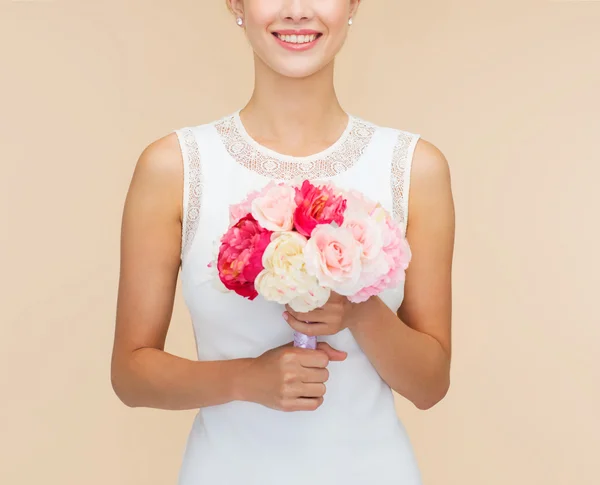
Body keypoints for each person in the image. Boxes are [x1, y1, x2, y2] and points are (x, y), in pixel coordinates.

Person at [111, 1, 455, 484]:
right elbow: (130, 375)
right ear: (236, 3)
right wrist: (245, 378)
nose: (296, 10)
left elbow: (430, 384)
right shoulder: (176, 168)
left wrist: (357, 309)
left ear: (353, 3)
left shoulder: (414, 168)